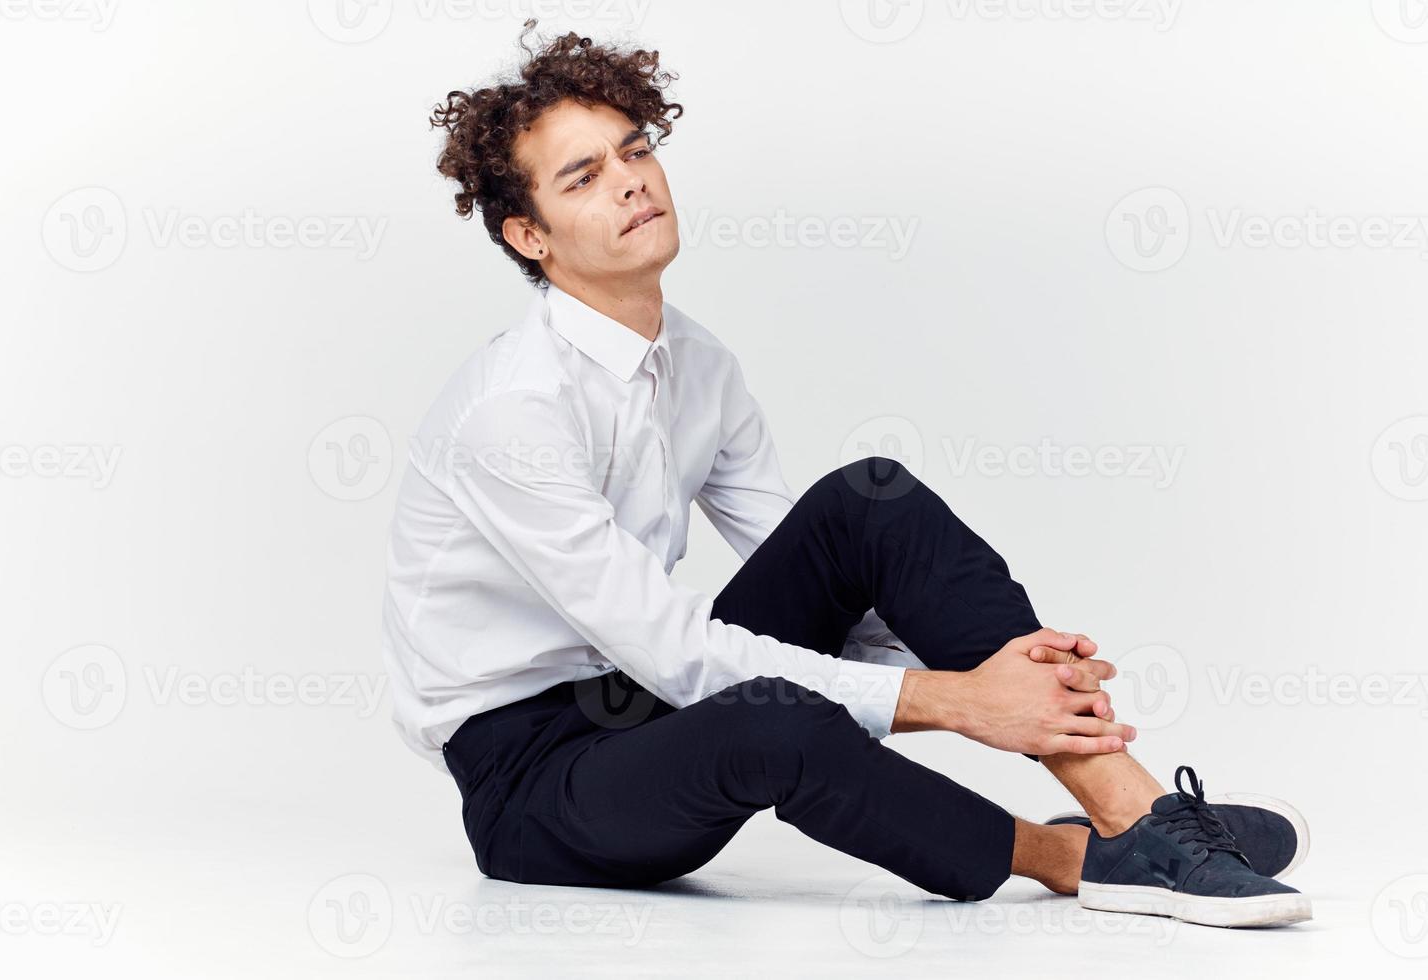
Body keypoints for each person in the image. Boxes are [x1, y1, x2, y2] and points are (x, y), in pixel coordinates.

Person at [380, 22, 1311, 928]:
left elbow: (830, 577)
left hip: (645, 707)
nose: (630, 182)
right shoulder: (510, 414)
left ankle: (1139, 815)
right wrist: (958, 703)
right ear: (529, 236)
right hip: (536, 782)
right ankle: (1074, 856)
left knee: (869, 501)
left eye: (634, 152)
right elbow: (674, 652)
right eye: (584, 178)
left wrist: (1010, 683)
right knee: (772, 720)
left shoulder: (698, 363)